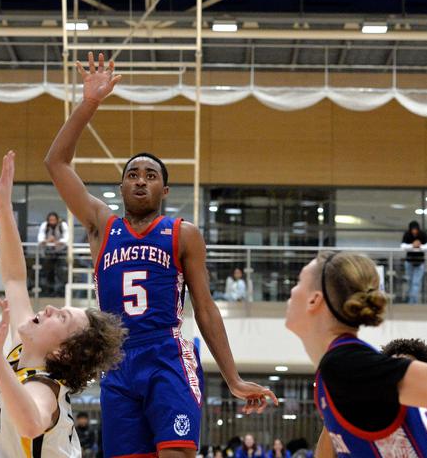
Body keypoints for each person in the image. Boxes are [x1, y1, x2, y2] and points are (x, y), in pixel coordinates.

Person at [45, 52, 276, 457]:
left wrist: (233, 378)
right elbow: (56, 162)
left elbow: (205, 309)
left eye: (150, 176)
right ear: (120, 187)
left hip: (166, 355)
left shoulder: (182, 235)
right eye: (132, 174)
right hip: (116, 363)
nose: (140, 181)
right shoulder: (102, 225)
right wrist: (89, 103)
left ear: (163, 192)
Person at [287, 251, 427, 458]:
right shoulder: (342, 369)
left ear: (314, 300)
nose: (291, 291)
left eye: (298, 283)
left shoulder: (344, 363)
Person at [0, 150, 126, 458]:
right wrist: (4, 209)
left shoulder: (44, 387)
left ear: (61, 351)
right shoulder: (20, 353)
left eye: (59, 318)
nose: (47, 309)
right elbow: (15, 279)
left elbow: (32, 424)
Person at [37, 212, 69, 296]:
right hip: (49, 252)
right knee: (48, 272)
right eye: (50, 220)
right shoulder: (45, 225)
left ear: (57, 219)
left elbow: (66, 238)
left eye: (54, 220)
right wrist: (48, 241)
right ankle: (49, 292)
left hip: (61, 252)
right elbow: (40, 238)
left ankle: (61, 292)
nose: (52, 222)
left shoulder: (63, 225)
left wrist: (58, 242)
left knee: (61, 272)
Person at [400, 220, 427, 304]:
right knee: (410, 282)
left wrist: (420, 246)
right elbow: (402, 247)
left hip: (420, 262)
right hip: (409, 262)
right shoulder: (407, 234)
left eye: (415, 229)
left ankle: (414, 302)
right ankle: (411, 301)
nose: (414, 231)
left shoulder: (423, 234)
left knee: (416, 283)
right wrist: (412, 246)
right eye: (413, 229)